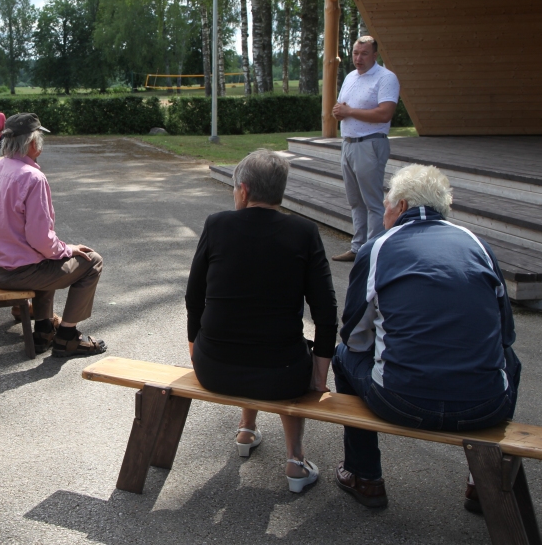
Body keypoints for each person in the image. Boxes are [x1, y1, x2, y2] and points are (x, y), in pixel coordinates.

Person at [333, 164, 521, 510]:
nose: (385, 210)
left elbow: (355, 337)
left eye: (387, 203)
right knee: (511, 362)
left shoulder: (377, 248)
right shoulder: (477, 244)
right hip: (484, 405)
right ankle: (484, 481)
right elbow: (505, 335)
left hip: (402, 401)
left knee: (342, 354)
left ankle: (365, 475)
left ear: (401, 206)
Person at [185, 149, 337, 493]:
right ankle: (295, 462)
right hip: (282, 376)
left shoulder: (217, 224)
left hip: (214, 368)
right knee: (285, 347)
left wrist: (195, 347)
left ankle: (246, 430)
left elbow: (194, 296)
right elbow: (326, 311)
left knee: (246, 331)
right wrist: (319, 376)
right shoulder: (304, 231)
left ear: (244, 190)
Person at [0, 113, 106, 358]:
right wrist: (68, 249)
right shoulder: (33, 177)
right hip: (17, 273)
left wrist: (59, 249)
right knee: (92, 261)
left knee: (48, 258)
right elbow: (40, 240)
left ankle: (44, 330)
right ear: (33, 143)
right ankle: (66, 337)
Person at [330, 36, 400, 262]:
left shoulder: (385, 78)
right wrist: (339, 112)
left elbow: (384, 113)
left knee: (372, 201)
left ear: (375, 55)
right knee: (355, 201)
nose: (358, 59)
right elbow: (342, 106)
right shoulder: (350, 77)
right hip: (349, 144)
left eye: (364, 54)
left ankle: (373, 253)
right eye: (355, 53)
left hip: (370, 144)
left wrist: (349, 113)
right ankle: (358, 247)